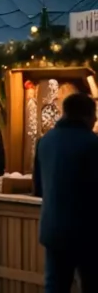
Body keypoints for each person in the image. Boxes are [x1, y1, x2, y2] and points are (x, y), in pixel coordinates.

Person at [33, 93, 98, 291]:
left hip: (53, 229)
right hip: (88, 232)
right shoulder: (92, 143)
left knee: (55, 285)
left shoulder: (45, 141)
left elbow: (38, 189)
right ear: (88, 116)